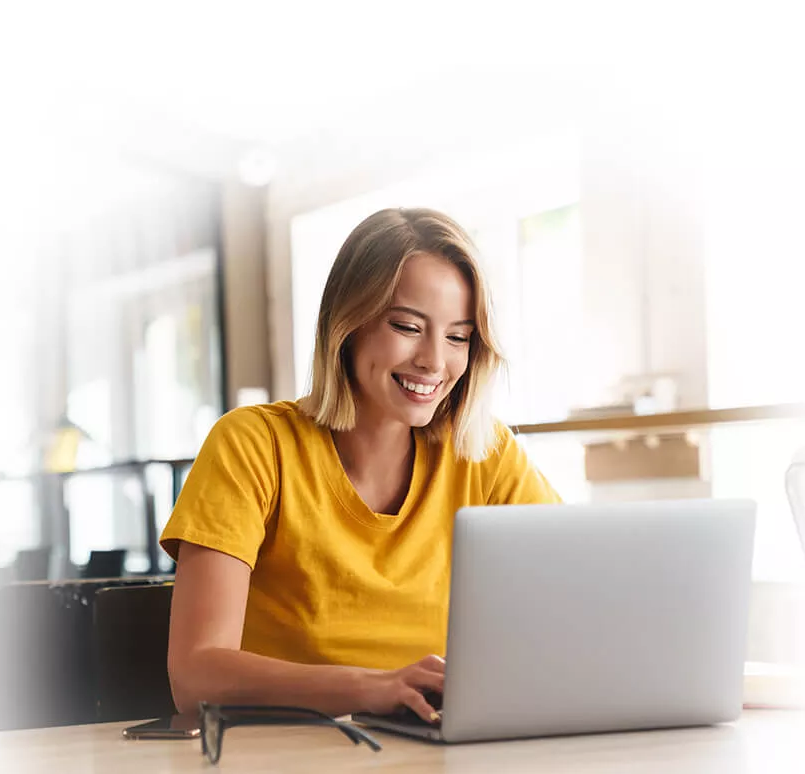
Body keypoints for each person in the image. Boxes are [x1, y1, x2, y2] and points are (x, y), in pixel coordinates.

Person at [161, 207, 560, 724]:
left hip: (432, 752)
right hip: (287, 755)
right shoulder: (254, 445)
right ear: (347, 324)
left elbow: (573, 607)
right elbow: (196, 679)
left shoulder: (485, 454)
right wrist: (373, 688)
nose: (435, 362)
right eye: (407, 327)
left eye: (458, 337)